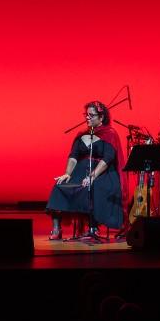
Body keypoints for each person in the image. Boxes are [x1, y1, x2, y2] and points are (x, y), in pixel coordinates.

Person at [46, 100, 125, 240]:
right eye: (86, 115)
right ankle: (57, 229)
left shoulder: (110, 134)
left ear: (101, 118)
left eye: (91, 115)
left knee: (93, 187)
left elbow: (107, 158)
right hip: (80, 173)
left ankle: (93, 227)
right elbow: (73, 156)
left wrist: (92, 176)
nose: (87, 118)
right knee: (59, 186)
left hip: (103, 174)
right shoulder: (81, 135)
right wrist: (67, 173)